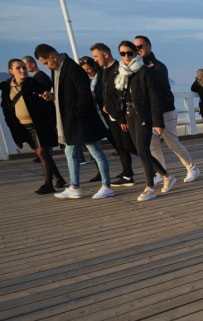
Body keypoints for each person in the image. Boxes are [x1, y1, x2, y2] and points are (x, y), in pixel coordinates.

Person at [34, 43, 113, 200]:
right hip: (69, 122)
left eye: (46, 62)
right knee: (70, 152)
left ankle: (106, 186)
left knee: (96, 152)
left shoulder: (73, 69)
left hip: (81, 121)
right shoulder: (56, 70)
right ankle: (74, 187)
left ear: (53, 57)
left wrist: (77, 114)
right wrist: (52, 96)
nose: (46, 66)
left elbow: (84, 94)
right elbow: (64, 93)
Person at [134, 35, 200, 183]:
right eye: (135, 47)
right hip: (149, 114)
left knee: (173, 144)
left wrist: (145, 70)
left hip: (165, 111)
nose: (137, 50)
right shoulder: (137, 67)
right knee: (153, 146)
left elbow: (159, 88)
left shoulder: (158, 66)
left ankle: (192, 168)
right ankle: (160, 173)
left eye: (140, 46)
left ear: (149, 47)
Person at [115, 40, 175, 202]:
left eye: (129, 53)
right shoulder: (122, 73)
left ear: (136, 53)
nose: (126, 56)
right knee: (142, 151)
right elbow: (123, 98)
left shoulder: (144, 72)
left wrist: (158, 122)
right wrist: (122, 118)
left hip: (143, 116)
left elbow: (154, 99)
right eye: (122, 53)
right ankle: (167, 176)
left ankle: (150, 188)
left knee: (142, 151)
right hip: (130, 116)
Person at [1, 58, 66, 194]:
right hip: (23, 127)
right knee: (42, 153)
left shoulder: (34, 84)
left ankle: (48, 184)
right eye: (18, 68)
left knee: (42, 152)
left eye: (24, 67)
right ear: (11, 71)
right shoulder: (7, 88)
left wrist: (47, 98)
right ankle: (59, 178)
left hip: (39, 125)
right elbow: (6, 107)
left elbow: (48, 101)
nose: (22, 70)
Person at [91, 42, 138, 187]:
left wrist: (123, 118)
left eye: (96, 56)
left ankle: (155, 168)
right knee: (120, 145)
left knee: (131, 145)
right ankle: (127, 174)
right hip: (111, 115)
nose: (95, 60)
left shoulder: (119, 69)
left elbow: (122, 94)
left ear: (105, 55)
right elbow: (107, 93)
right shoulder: (105, 71)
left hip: (121, 116)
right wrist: (106, 105)